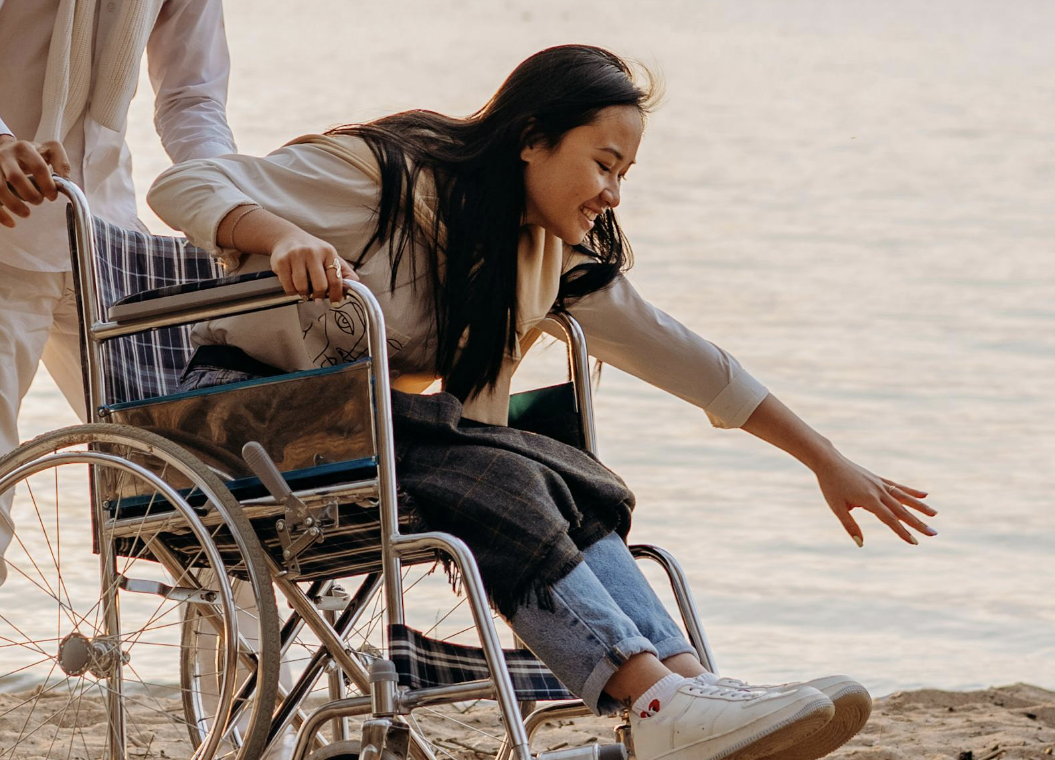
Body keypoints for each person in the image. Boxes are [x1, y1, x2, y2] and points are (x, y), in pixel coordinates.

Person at [148, 44, 937, 760]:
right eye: (604, 163)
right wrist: (282, 235)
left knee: (563, 467)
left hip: (363, 429)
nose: (613, 192)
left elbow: (684, 355)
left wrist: (825, 460)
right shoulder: (383, 177)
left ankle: (686, 688)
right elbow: (182, 183)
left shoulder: (541, 251)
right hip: (242, 416)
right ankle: (654, 698)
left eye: (625, 173)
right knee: (495, 472)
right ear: (532, 139)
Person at [0, 0, 236, 586]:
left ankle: (250, 672)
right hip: (4, 241)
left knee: (203, 484)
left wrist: (230, 208)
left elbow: (192, 98)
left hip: (105, 242)